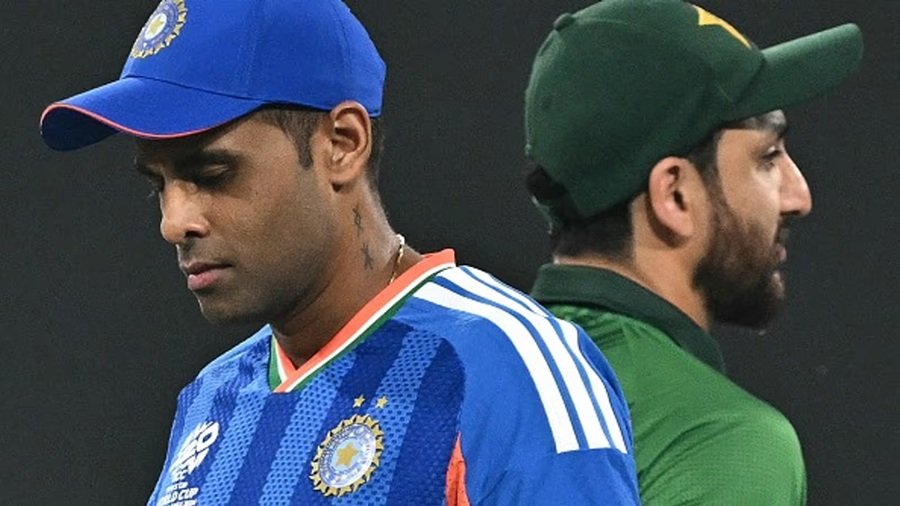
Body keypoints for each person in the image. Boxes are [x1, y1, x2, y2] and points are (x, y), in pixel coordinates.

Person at [40, 0, 640, 504]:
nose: (175, 223)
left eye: (213, 174)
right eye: (159, 185)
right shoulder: (209, 400)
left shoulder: (507, 366)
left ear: (343, 145)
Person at [522, 0, 863, 504]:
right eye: (768, 157)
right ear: (676, 195)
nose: (799, 196)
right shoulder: (722, 440)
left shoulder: (451, 380)